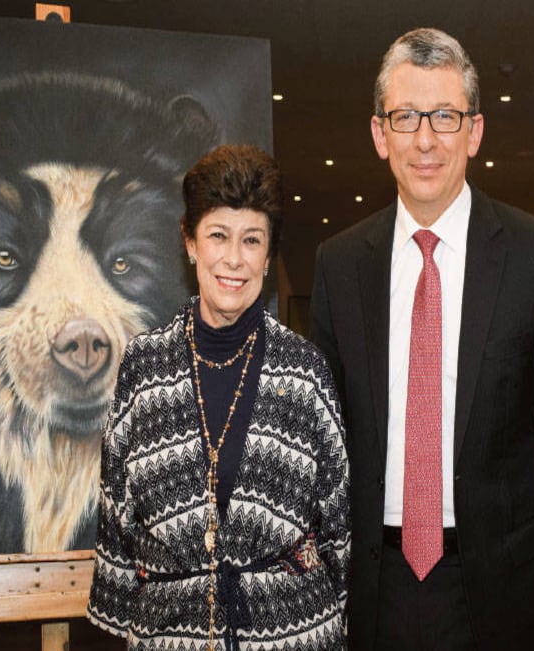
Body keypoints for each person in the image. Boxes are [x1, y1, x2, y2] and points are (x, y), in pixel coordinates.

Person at [310, 27, 534, 650]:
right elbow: (329, 431)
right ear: (380, 134)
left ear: (475, 132)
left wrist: (508, 527)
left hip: (502, 587)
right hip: (374, 584)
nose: (426, 138)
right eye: (406, 116)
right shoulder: (339, 264)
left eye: (445, 116)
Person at [87, 144, 350, 650]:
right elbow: (116, 518)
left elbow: (336, 527)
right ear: (190, 243)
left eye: (252, 240)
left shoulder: (305, 372)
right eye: (217, 236)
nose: (234, 258)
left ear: (268, 256)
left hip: (291, 636)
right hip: (169, 636)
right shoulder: (144, 366)